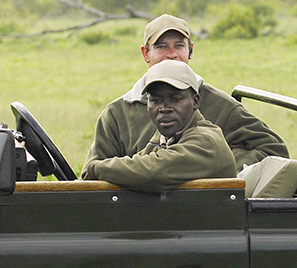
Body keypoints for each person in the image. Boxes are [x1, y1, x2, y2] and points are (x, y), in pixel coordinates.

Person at [87, 14, 287, 170]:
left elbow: (274, 151)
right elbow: (92, 173)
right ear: (146, 53)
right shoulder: (118, 113)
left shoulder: (219, 104)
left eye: (179, 46)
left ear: (191, 51)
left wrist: (207, 167)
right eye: (161, 47)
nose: (171, 55)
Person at [83, 60, 240, 193]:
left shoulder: (206, 140)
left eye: (175, 99)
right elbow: (138, 162)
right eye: (156, 100)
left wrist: (95, 168)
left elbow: (151, 171)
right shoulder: (168, 136)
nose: (164, 108)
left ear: (196, 101)